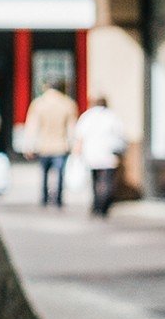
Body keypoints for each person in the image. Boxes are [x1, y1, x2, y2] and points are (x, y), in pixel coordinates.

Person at [25, 77, 79, 206]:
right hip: (61, 145)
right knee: (60, 174)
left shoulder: (38, 104)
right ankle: (58, 199)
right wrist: (75, 145)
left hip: (44, 145)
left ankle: (44, 198)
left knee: (44, 173)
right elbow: (72, 128)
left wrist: (29, 145)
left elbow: (32, 127)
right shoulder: (68, 104)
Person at [72, 93, 127, 218]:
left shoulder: (87, 117)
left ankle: (97, 204)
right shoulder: (112, 117)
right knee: (107, 181)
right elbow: (121, 136)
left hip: (91, 155)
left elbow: (79, 137)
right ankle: (103, 205)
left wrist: (77, 153)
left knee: (95, 180)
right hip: (108, 154)